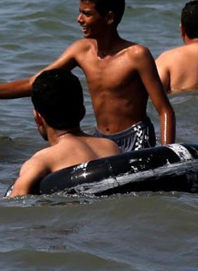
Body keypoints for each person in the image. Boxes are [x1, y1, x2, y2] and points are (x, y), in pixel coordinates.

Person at [0, 0, 175, 153]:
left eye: (86, 13)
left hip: (136, 137)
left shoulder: (137, 55)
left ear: (109, 18)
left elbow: (164, 110)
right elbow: (34, 83)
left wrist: (169, 153)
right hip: (100, 138)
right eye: (80, 12)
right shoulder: (80, 51)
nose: (79, 19)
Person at [8, 69, 120, 197]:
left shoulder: (43, 160)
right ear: (83, 111)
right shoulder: (111, 146)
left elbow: (16, 198)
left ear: (38, 118)